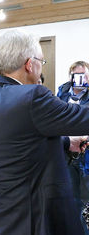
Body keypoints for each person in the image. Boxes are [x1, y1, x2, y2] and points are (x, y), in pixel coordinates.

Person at [0, 29, 89, 235]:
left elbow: (18, 144)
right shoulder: (33, 96)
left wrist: (65, 142)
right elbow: (82, 118)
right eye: (41, 62)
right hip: (33, 219)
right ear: (29, 63)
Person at [57, 61, 89, 233]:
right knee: (72, 200)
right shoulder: (62, 92)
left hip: (86, 153)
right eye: (76, 75)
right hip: (66, 152)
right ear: (70, 75)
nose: (80, 79)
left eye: (84, 74)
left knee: (86, 202)